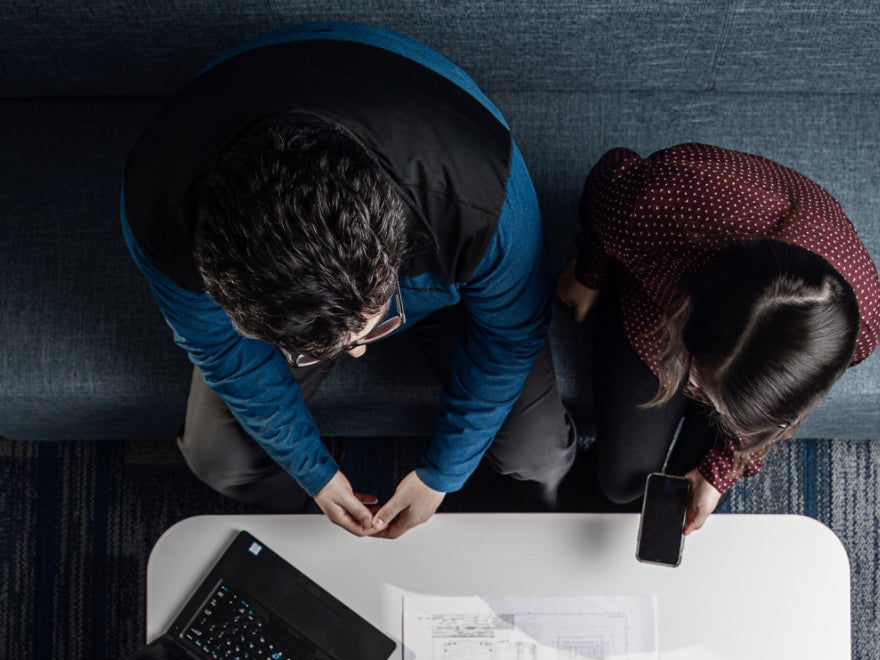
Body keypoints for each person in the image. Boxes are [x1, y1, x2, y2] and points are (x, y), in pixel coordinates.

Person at [122, 23, 575, 537]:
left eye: (367, 331)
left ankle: (533, 519)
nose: (356, 355)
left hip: (449, 284)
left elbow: (511, 335)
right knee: (218, 460)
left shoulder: (481, 200)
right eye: (321, 349)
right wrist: (313, 472)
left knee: (541, 457)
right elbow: (226, 354)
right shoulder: (159, 220)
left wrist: (442, 474)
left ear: (392, 253)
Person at [557, 143, 880, 531]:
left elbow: (778, 413)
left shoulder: (856, 332)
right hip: (659, 311)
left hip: (733, 371)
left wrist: (720, 473)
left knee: (683, 499)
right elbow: (607, 180)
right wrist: (590, 272)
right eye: (698, 389)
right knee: (620, 484)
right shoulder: (658, 201)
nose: (704, 401)